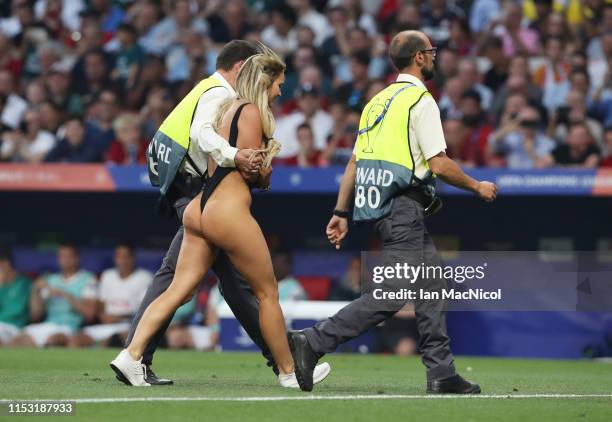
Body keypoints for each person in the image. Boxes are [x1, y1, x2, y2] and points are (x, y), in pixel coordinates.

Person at [288, 30, 497, 394]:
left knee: (432, 283)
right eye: (430, 52)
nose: (433, 57)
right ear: (418, 57)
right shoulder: (421, 100)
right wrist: (477, 185)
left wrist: (341, 210)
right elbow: (439, 163)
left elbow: (354, 162)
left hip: (383, 208)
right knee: (394, 294)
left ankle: (442, 372)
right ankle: (314, 341)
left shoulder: (377, 101)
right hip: (403, 208)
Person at [112, 43, 329, 391]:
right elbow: (224, 151)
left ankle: (132, 354)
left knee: (178, 287)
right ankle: (289, 368)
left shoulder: (218, 100)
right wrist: (248, 160)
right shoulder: (239, 106)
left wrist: (237, 157)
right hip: (219, 207)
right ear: (256, 76)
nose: (279, 92)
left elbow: (205, 141)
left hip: (198, 206)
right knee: (265, 292)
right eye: (277, 85)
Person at [120, 40, 268, 386]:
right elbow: (200, 135)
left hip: (183, 186)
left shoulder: (204, 87)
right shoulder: (219, 94)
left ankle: (134, 355)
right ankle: (286, 359)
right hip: (195, 189)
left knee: (223, 280)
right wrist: (236, 155)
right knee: (195, 278)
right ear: (243, 66)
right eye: (257, 71)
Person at [9, 244, 97, 348]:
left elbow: (89, 314)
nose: (64, 260)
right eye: (61, 256)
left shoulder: (88, 279)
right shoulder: (51, 280)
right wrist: (35, 290)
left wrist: (64, 294)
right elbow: (35, 315)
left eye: (68, 256)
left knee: (53, 340)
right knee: (18, 339)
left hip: (70, 327)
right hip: (49, 324)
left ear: (77, 258)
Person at [68, 244, 152, 347]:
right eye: (119, 257)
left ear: (132, 258)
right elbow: (101, 305)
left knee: (110, 342)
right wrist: (102, 315)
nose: (122, 260)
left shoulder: (144, 277)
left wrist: (119, 318)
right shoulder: (107, 275)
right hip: (105, 326)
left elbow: (146, 310)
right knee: (75, 341)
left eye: (126, 257)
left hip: (128, 326)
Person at [0, 248, 32, 345]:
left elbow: (21, 312)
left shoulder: (24, 283)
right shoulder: (2, 285)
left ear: (6, 263)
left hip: (14, 327)